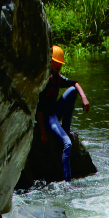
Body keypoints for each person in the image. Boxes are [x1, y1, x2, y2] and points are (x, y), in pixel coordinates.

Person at [37, 44, 90, 181]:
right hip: (48, 119)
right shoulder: (45, 81)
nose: (59, 66)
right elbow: (39, 109)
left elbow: (75, 83)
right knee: (67, 144)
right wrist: (43, 133)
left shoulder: (58, 78)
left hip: (54, 112)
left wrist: (84, 98)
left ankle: (66, 129)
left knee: (72, 91)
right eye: (56, 64)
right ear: (50, 62)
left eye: (60, 64)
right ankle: (67, 181)